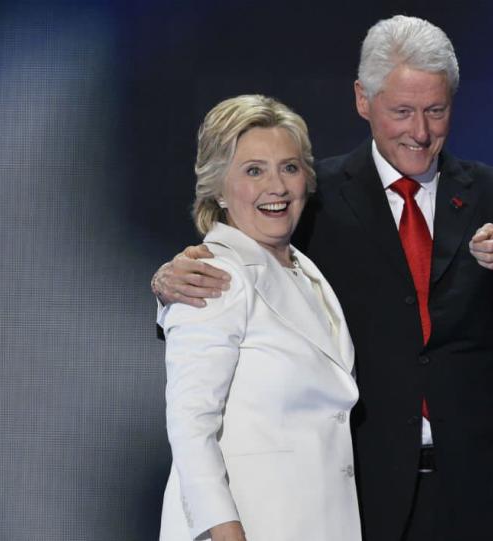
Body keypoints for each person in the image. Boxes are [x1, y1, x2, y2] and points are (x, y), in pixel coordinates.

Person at [152, 16, 493, 541]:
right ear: (362, 100)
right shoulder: (311, 193)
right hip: (364, 484)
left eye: (436, 111)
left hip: (479, 482)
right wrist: (167, 286)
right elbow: (240, 263)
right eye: (402, 112)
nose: (420, 131)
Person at [158, 95, 362, 541]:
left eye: (289, 168)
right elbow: (191, 424)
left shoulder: (307, 273)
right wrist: (224, 530)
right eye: (254, 171)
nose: (278, 186)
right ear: (216, 186)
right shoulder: (214, 275)